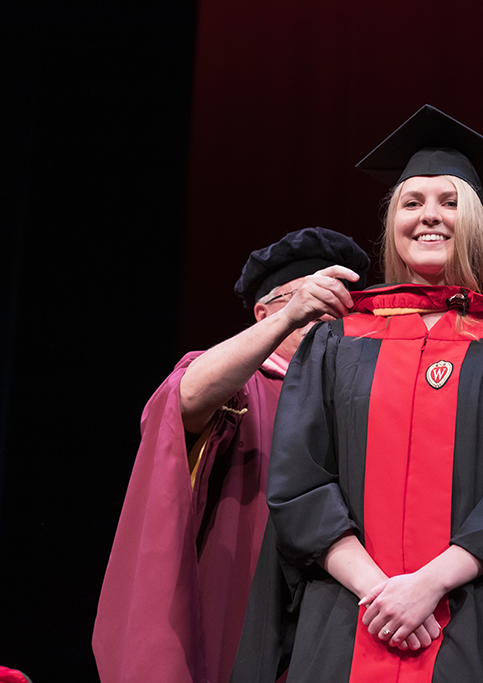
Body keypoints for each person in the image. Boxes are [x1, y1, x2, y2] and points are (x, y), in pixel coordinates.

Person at [231, 105, 483, 683]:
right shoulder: (338, 339)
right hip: (352, 613)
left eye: (450, 202)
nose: (428, 217)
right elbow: (300, 481)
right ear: (392, 222)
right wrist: (380, 591)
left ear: (482, 222)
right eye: (411, 203)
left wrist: (430, 584)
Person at [93, 228, 370, 683]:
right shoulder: (244, 386)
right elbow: (182, 400)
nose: (324, 321)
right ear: (265, 312)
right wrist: (289, 318)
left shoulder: (360, 404)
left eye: (339, 311)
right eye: (308, 304)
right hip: (244, 606)